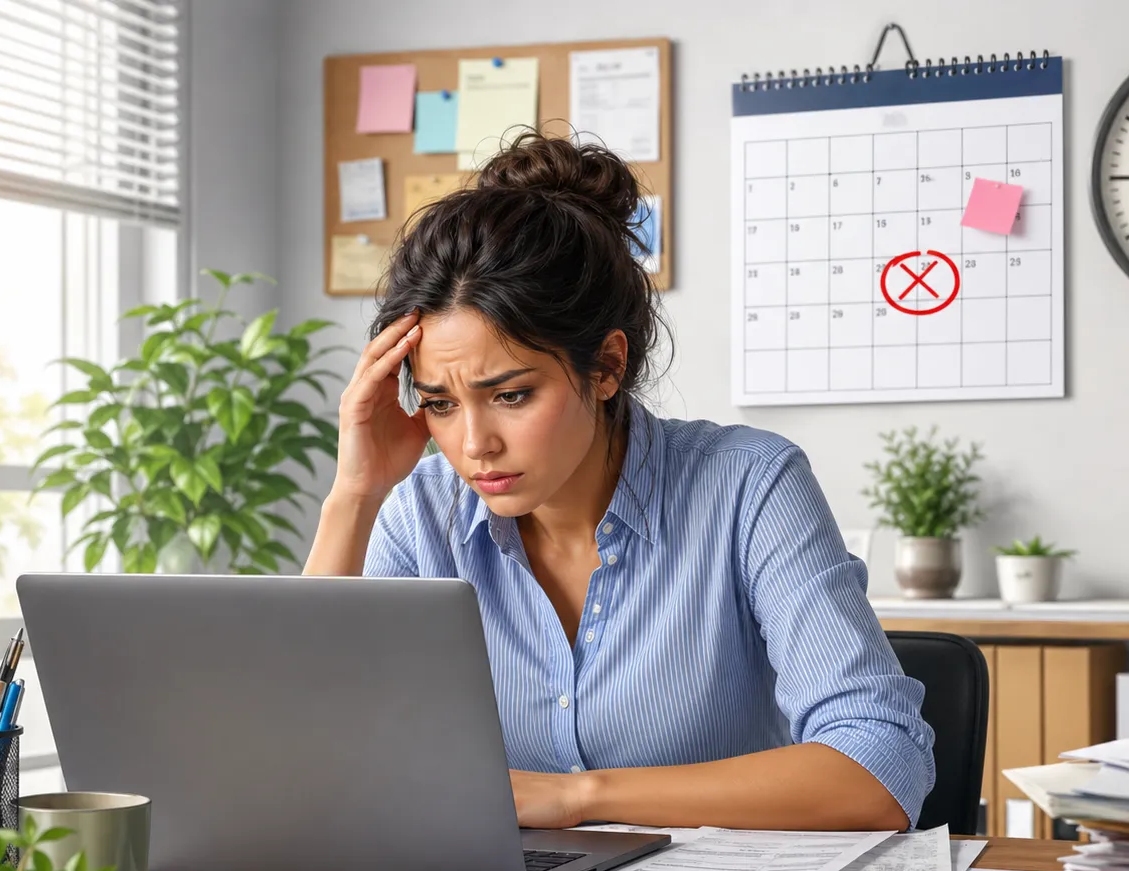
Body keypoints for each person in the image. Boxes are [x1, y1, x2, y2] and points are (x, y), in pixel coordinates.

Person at [304, 133, 933, 831]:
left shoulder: (749, 487)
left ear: (604, 366)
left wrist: (576, 798)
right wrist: (355, 493)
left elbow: (879, 767)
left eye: (510, 395)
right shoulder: (419, 516)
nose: (474, 445)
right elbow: (302, 758)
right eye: (442, 404)